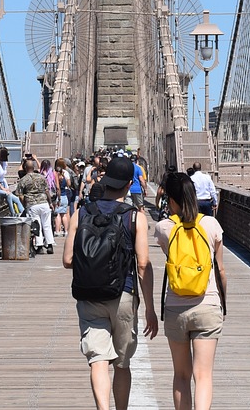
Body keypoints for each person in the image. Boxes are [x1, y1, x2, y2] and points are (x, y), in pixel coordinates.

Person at [63, 156, 158, 410]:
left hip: (89, 296)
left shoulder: (81, 213)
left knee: (98, 361)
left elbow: (67, 259)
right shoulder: (136, 217)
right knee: (122, 364)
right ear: (129, 185)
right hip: (123, 296)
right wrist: (149, 308)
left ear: (105, 182)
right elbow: (142, 265)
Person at [155, 171, 226, 410]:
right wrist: (222, 303)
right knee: (203, 376)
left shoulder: (163, 228)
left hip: (176, 308)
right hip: (207, 305)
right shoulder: (211, 224)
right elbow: (221, 271)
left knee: (181, 375)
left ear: (171, 200)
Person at [15, 157, 54, 254]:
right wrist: (50, 203)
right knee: (47, 225)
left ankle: (40, 246)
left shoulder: (23, 180)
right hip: (44, 203)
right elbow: (47, 191)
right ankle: (50, 245)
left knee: (36, 225)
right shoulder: (41, 177)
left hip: (32, 205)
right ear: (34, 167)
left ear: (25, 168)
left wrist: (25, 205)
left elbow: (20, 196)